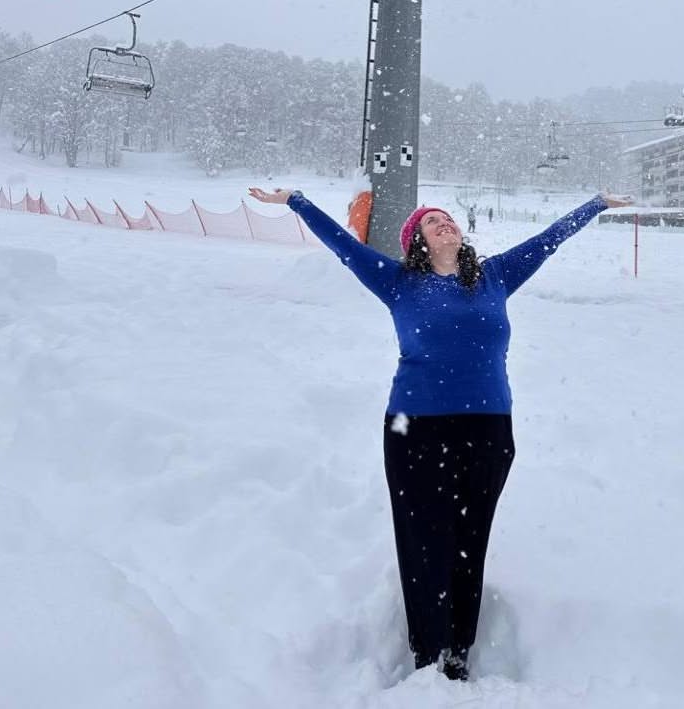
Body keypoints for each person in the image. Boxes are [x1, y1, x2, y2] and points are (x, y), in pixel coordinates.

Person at [248, 185, 633, 681]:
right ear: (417, 241)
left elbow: (547, 239)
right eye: (432, 222)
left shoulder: (494, 276)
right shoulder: (398, 282)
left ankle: (459, 652)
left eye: (448, 218)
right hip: (415, 429)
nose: (445, 223)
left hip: (489, 427)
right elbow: (344, 247)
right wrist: (297, 201)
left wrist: (595, 204)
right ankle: (429, 652)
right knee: (424, 542)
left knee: (471, 540)